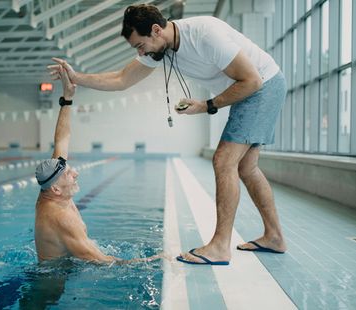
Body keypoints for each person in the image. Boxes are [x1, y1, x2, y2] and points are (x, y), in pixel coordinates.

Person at [48, 4, 287, 265]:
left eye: (140, 45)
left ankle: (220, 246)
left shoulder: (205, 34)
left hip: (262, 85)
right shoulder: (160, 48)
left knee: (223, 161)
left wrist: (206, 105)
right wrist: (76, 78)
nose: (141, 52)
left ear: (156, 30)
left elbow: (252, 81)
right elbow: (121, 79)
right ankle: (274, 236)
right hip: (254, 87)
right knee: (247, 168)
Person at [35, 65, 161, 264]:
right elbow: (103, 261)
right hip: (53, 281)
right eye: (69, 174)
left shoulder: (51, 186)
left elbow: (62, 138)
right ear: (56, 190)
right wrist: (152, 261)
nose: (75, 173)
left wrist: (67, 98)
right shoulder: (60, 217)